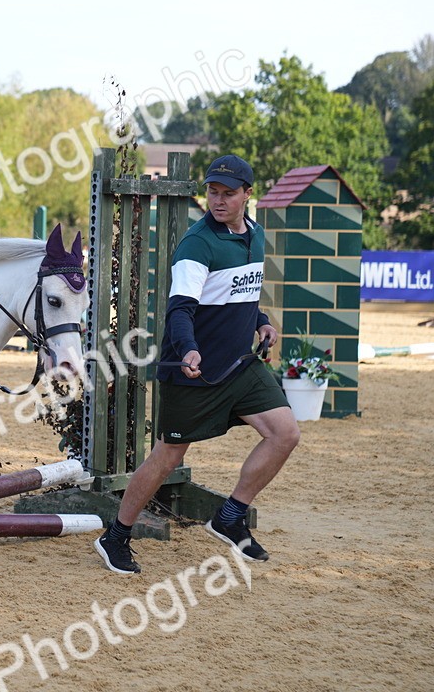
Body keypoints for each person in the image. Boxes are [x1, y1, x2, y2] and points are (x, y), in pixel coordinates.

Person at [94, 155, 300, 575]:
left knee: (285, 434)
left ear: (247, 195)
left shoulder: (256, 236)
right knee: (168, 456)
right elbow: (181, 309)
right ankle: (114, 536)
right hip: (191, 369)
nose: (219, 200)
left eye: (228, 193)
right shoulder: (197, 243)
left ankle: (230, 515)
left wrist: (261, 323)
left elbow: (242, 293)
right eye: (212, 192)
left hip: (239, 366)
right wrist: (188, 349)